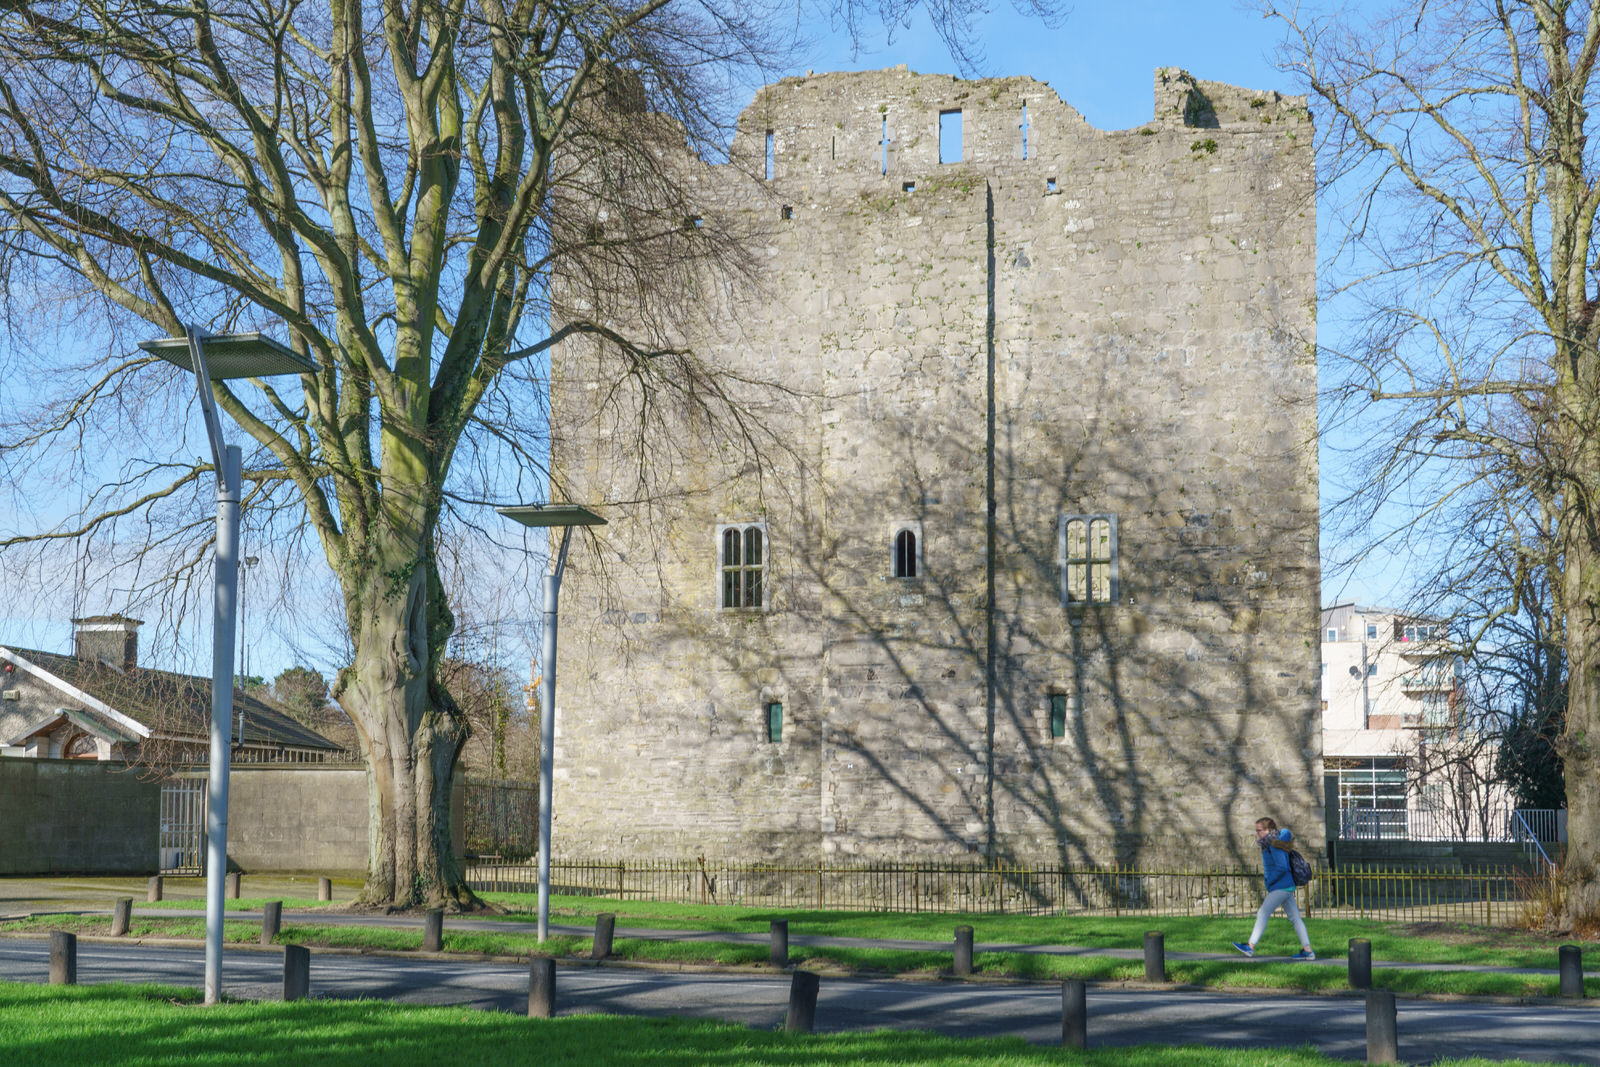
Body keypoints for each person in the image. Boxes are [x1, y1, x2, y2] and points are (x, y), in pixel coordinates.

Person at [1232, 817, 1314, 960]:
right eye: (1256, 830)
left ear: (1269, 830)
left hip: (1280, 886)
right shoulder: (1273, 842)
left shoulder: (1273, 844)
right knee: (1295, 918)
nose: (1257, 833)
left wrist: (1270, 881)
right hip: (1286, 886)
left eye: (1260, 830)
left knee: (1263, 913)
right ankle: (1308, 951)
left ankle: (1250, 947)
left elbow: (1282, 867)